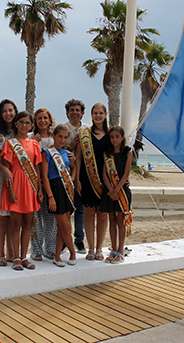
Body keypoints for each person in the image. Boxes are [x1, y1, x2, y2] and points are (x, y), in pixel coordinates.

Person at [0, 111, 43, 271]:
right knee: (15, 225)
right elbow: (7, 168)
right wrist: (10, 189)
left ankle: (25, 256)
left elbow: (37, 169)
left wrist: (39, 189)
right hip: (16, 185)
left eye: (27, 123)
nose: (24, 125)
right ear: (16, 124)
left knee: (27, 224)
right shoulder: (10, 144)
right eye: (21, 122)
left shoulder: (34, 144)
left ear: (31, 126)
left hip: (30, 187)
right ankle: (16, 257)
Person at [75, 103, 110, 261]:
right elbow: (79, 158)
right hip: (87, 178)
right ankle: (90, 249)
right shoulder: (84, 134)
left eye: (101, 113)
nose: (98, 116)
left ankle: (99, 248)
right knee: (89, 213)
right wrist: (77, 179)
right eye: (95, 113)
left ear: (105, 114)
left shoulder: (111, 134)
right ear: (91, 115)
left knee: (102, 214)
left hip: (106, 180)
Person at [40, 124, 77, 267]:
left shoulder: (66, 153)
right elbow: (44, 176)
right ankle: (72, 252)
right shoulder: (47, 152)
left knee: (63, 227)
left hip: (66, 190)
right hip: (54, 190)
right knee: (65, 227)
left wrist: (72, 180)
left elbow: (74, 167)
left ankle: (57, 256)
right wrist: (50, 197)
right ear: (54, 136)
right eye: (60, 136)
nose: (62, 140)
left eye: (65, 137)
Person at [0, 99, 18, 266]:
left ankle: (12, 253)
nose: (8, 113)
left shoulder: (21, 131)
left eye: (11, 110)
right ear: (0, 114)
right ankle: (1, 254)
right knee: (2, 218)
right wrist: (5, 169)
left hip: (19, 179)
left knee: (13, 218)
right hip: (1, 177)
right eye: (4, 111)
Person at [100, 126, 133, 264]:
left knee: (121, 221)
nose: (114, 140)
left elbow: (126, 174)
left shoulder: (128, 152)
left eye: (117, 137)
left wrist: (116, 190)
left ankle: (120, 251)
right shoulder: (107, 154)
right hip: (110, 191)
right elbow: (104, 175)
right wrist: (111, 191)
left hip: (122, 191)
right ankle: (113, 250)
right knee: (112, 220)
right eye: (112, 137)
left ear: (122, 137)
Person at [30, 108, 57, 261]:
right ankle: (36, 249)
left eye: (45, 117)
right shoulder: (30, 137)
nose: (42, 121)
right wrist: (33, 141)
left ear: (50, 119)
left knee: (50, 217)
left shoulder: (55, 138)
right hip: (34, 182)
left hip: (51, 183)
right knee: (35, 218)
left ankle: (50, 248)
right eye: (39, 118)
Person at [63, 99, 89, 254]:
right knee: (66, 210)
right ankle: (65, 241)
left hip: (84, 175)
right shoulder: (61, 128)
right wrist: (71, 146)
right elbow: (57, 149)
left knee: (80, 210)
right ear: (67, 112)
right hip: (65, 174)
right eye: (72, 110)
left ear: (82, 113)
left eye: (77, 110)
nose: (75, 112)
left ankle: (79, 240)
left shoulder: (87, 129)